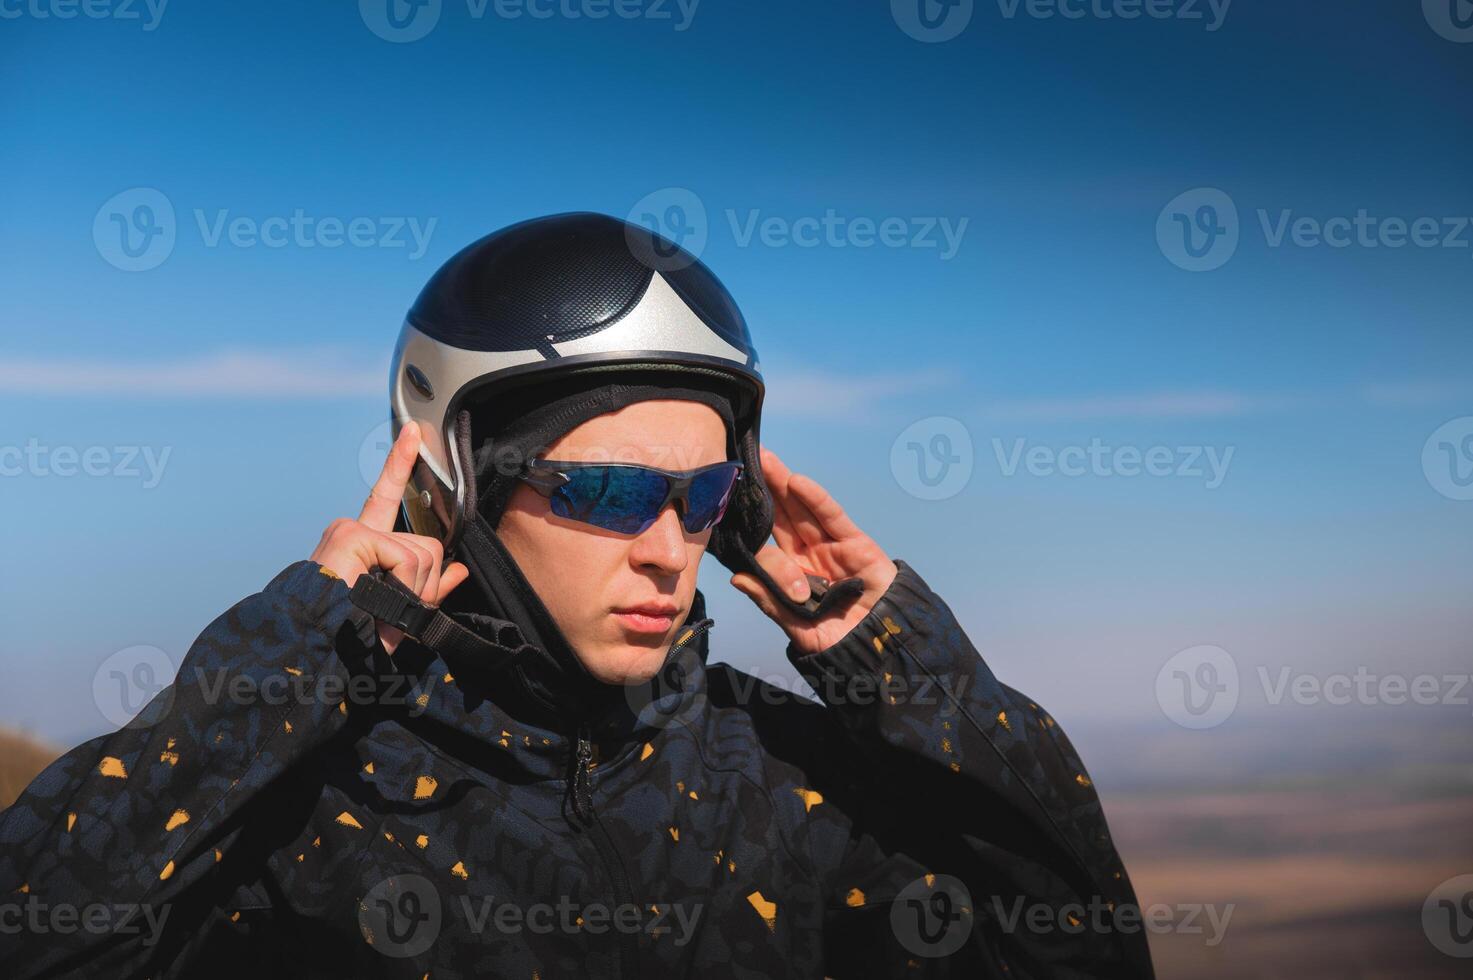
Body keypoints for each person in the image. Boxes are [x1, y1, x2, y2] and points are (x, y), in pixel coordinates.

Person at [0, 213, 1155, 978]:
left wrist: (903, 668)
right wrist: (301, 654)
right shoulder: (310, 809)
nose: (668, 547)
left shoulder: (804, 785)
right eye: (605, 489)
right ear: (461, 485)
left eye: (705, 495)